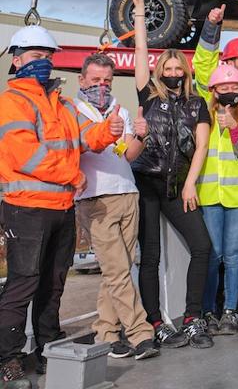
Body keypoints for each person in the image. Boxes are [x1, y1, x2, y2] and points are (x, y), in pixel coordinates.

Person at [0, 26, 124, 386]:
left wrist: (109, 131)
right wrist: (72, 174)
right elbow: (27, 155)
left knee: (53, 284)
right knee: (24, 283)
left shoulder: (61, 102)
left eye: (48, 57)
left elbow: (84, 138)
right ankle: (6, 358)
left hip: (60, 208)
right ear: (17, 60)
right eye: (37, 57)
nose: (44, 63)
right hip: (27, 207)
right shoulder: (13, 102)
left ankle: (46, 347)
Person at [128, 0, 214, 349]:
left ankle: (193, 317)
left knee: (203, 247)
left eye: (180, 68)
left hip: (179, 188)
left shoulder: (197, 104)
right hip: (147, 184)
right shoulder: (148, 92)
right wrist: (140, 11)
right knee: (151, 256)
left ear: (187, 72)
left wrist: (191, 184)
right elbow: (142, 50)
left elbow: (201, 148)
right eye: (170, 67)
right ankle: (157, 322)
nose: (175, 73)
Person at [74, 53, 160, 361]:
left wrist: (140, 135)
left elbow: (127, 154)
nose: (101, 86)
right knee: (119, 271)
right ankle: (140, 333)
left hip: (126, 193)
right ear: (81, 80)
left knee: (117, 271)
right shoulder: (72, 112)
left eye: (107, 81)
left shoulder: (118, 109)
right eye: (95, 80)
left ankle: (106, 333)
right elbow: (80, 146)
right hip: (95, 200)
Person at [196, 64, 238, 337]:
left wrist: (234, 127)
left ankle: (231, 310)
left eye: (235, 88)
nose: (230, 92)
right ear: (214, 91)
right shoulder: (203, 115)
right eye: (224, 88)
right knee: (213, 254)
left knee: (233, 255)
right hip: (209, 195)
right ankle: (208, 310)